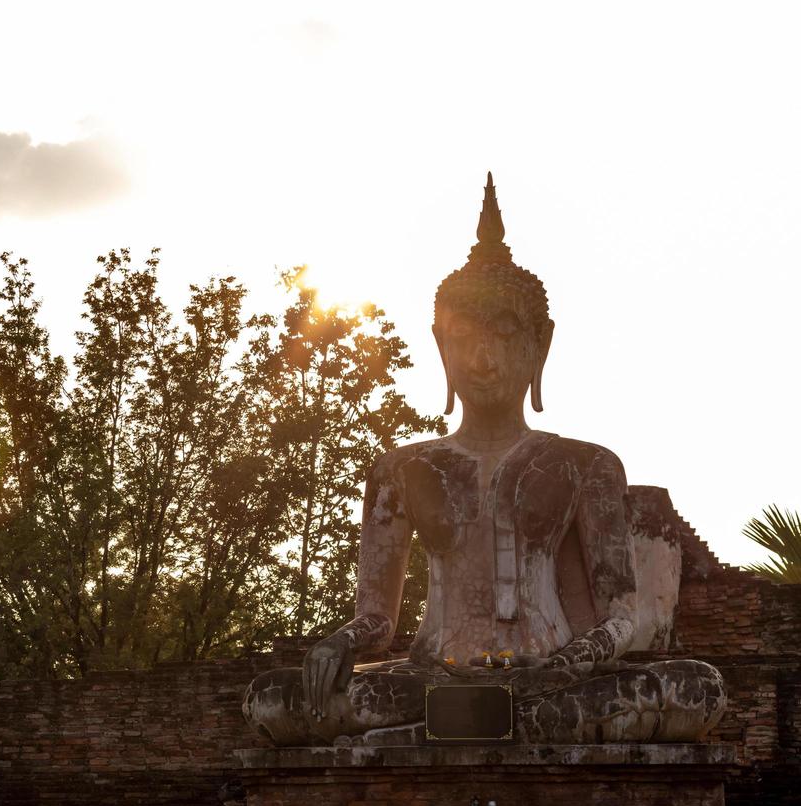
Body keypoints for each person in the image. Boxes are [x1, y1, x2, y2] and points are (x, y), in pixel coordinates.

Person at [243, 174, 725, 746]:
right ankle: (488, 722)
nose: (483, 357)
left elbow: (620, 616)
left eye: (503, 332)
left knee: (697, 689)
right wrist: (339, 643)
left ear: (540, 344)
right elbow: (379, 619)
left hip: (553, 675)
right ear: (440, 346)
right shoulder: (401, 469)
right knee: (271, 699)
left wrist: (568, 661)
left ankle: (456, 728)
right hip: (432, 675)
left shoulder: (586, 465)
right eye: (463, 335)